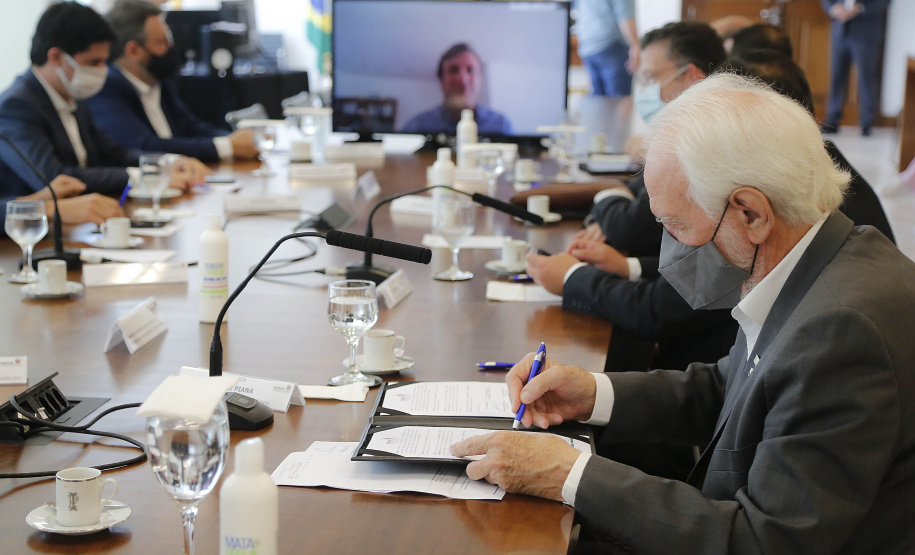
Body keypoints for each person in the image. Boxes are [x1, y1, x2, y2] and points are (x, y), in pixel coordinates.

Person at [451, 73, 915, 553]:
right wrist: (591, 392)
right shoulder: (821, 260)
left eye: (675, 225)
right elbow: (731, 387)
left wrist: (566, 473)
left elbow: (766, 542)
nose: (668, 248)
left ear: (751, 214)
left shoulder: (839, 331)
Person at [0, 1, 209, 203]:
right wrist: (142, 177)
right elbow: (56, 178)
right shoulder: (16, 107)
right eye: (94, 62)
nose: (103, 70)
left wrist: (166, 162)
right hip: (32, 233)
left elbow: (114, 153)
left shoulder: (73, 95)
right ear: (56, 57)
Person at [87, 0, 258, 163]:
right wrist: (226, 146)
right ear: (134, 50)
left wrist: (234, 139)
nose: (171, 50)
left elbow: (191, 128)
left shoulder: (157, 79)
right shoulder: (106, 88)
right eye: (162, 43)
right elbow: (143, 145)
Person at [401, 43, 513, 135]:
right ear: (441, 80)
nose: (463, 80)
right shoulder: (416, 126)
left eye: (470, 70)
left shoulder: (502, 125)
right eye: (453, 70)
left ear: (480, 79)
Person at [820, 0, 892, 136]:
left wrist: (859, 8)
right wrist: (833, 8)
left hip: (866, 33)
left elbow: (884, 3)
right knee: (836, 77)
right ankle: (832, 120)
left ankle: (866, 122)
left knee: (866, 77)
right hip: (840, 30)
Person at [575, 0, 640, 96]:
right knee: (618, 102)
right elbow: (625, 14)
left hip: (588, 47)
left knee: (599, 100)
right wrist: (635, 45)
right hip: (611, 47)